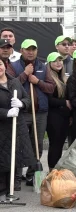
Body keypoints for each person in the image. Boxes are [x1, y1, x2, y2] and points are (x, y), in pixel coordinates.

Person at [8, 39, 55, 187]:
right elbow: (10, 85)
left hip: (40, 112)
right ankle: (16, 176)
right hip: (22, 112)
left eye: (33, 49)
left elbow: (51, 88)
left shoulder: (43, 67)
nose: (30, 52)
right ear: (21, 50)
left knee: (37, 144)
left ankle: (31, 175)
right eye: (27, 49)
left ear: (37, 51)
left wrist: (37, 82)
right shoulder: (13, 66)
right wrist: (25, 74)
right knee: (19, 143)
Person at [0, 59, 35, 196]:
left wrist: (22, 103)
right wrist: (5, 113)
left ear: (5, 66)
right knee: (2, 158)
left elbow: (28, 99)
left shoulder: (14, 82)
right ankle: (3, 188)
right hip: (2, 128)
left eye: (1, 65)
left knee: (14, 157)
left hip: (16, 127)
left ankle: (11, 187)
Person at [45, 52, 71, 171]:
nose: (58, 63)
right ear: (49, 63)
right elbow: (49, 100)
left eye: (60, 60)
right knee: (55, 144)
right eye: (55, 61)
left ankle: (56, 171)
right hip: (53, 116)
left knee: (60, 145)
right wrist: (64, 103)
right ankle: (51, 171)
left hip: (64, 116)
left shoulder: (63, 78)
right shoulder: (49, 78)